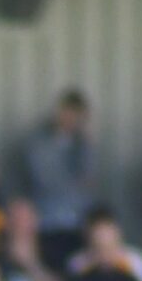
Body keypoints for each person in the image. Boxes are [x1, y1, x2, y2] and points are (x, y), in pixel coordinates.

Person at [22, 88, 96, 268]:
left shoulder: (81, 145)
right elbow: (44, 180)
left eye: (77, 115)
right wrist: (73, 184)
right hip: (48, 222)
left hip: (77, 224)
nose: (71, 119)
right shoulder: (39, 143)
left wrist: (87, 144)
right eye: (68, 112)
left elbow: (89, 180)